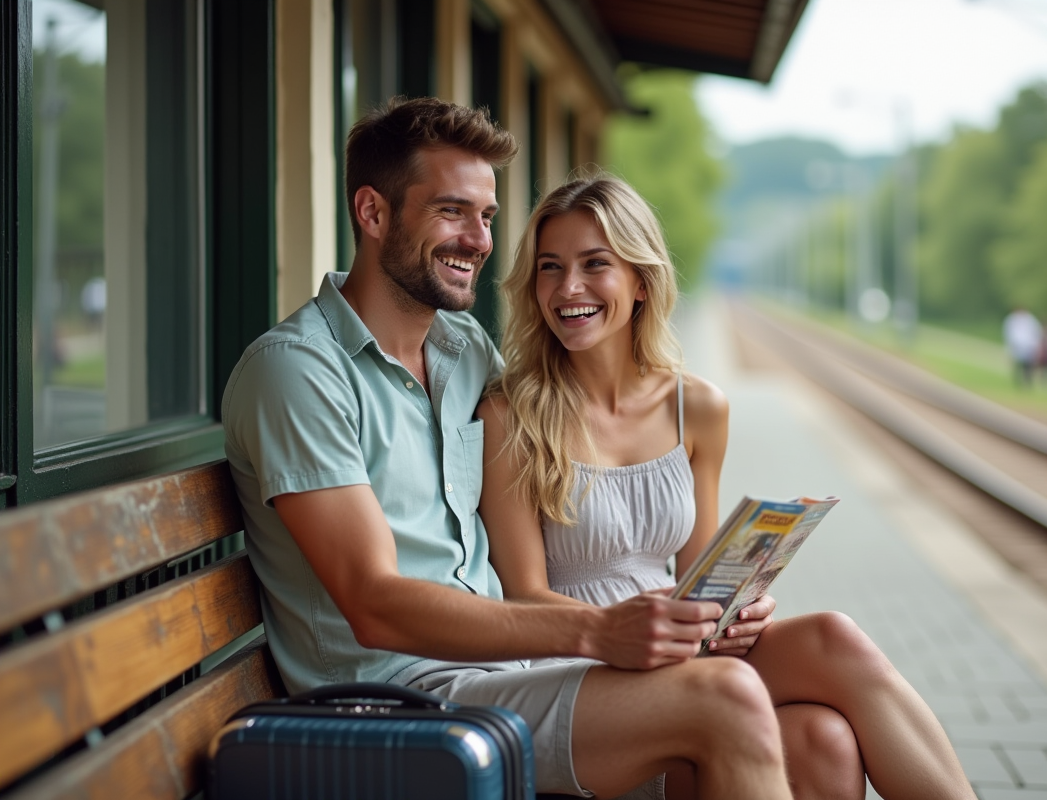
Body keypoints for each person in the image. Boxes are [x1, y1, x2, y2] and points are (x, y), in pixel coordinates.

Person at [222, 97, 797, 800]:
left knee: (817, 734)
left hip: (502, 675)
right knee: (728, 700)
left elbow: (563, 425)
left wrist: (713, 601)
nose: (479, 240)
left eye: (487, 217)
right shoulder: (299, 372)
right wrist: (596, 631)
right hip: (393, 707)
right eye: (452, 212)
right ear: (372, 214)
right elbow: (374, 603)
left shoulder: (464, 352)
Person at [477, 174, 976, 800]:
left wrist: (738, 611)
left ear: (640, 280)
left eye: (594, 264)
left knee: (828, 703)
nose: (568, 288)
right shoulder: (510, 413)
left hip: (681, 650)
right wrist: (631, 627)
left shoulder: (698, 408)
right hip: (577, 666)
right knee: (819, 725)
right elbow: (524, 597)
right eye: (550, 268)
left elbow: (700, 576)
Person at [1002, 306, 1042, 388]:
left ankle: (1028, 381)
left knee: (1028, 365)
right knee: (1017, 364)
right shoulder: (1012, 319)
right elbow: (1008, 332)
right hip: (1016, 345)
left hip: (1028, 345)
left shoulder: (1030, 320)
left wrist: (1035, 345)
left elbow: (1036, 332)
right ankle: (1018, 381)